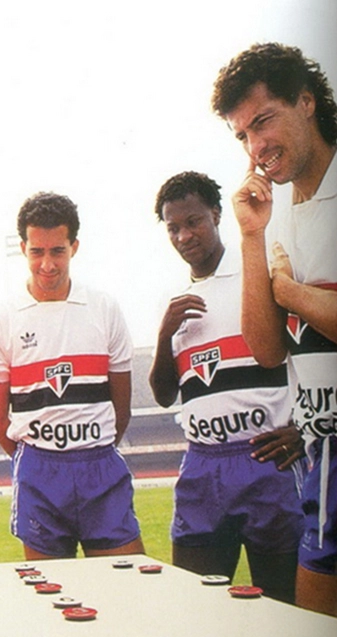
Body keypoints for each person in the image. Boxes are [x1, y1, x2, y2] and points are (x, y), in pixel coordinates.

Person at [213, 42, 337, 616]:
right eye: (242, 135)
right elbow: (265, 350)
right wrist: (251, 237)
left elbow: (289, 305)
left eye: (263, 121)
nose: (255, 146)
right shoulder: (277, 214)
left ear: (307, 102)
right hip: (320, 461)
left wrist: (288, 293)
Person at [149, 170, 304, 602]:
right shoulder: (174, 297)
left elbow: (307, 358)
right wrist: (164, 335)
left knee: (281, 607)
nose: (184, 235)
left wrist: (302, 428)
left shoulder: (257, 270)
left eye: (193, 221)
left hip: (265, 459)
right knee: (196, 605)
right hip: (203, 465)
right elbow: (164, 395)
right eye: (173, 227)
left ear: (217, 215)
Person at [0, 191, 144, 561]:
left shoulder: (103, 308)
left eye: (58, 251)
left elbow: (121, 407)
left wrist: (91, 447)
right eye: (37, 251)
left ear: (75, 247)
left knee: (126, 586)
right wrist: (37, 456)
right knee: (50, 596)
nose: (47, 264)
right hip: (40, 471)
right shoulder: (2, 318)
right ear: (23, 248)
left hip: (99, 465)